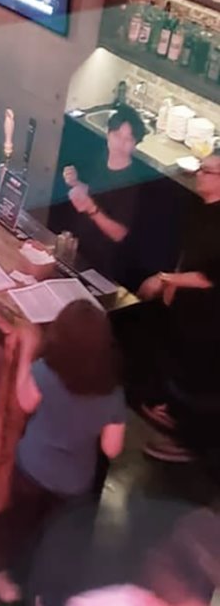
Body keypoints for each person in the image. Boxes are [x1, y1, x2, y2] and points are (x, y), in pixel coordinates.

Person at [0, 303, 126, 605]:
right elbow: (111, 448)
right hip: (74, 482)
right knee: (59, 540)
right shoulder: (112, 393)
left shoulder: (44, 372)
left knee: (23, 530)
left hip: (31, 467)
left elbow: (24, 401)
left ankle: (11, 582)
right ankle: (45, 595)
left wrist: (28, 349)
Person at [137, 147, 220, 463]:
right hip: (184, 309)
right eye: (200, 167)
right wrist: (171, 283)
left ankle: (186, 443)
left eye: (207, 170)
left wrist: (165, 280)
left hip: (206, 317)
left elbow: (210, 277)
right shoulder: (202, 207)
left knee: (193, 376)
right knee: (172, 361)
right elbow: (189, 255)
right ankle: (169, 412)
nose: (199, 174)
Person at [62, 105, 146, 290]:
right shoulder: (102, 157)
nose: (120, 144)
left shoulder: (131, 182)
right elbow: (96, 194)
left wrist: (91, 209)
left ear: (135, 144)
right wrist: (76, 183)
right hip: (81, 249)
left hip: (103, 266)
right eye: (116, 135)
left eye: (128, 139)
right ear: (108, 134)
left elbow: (119, 234)